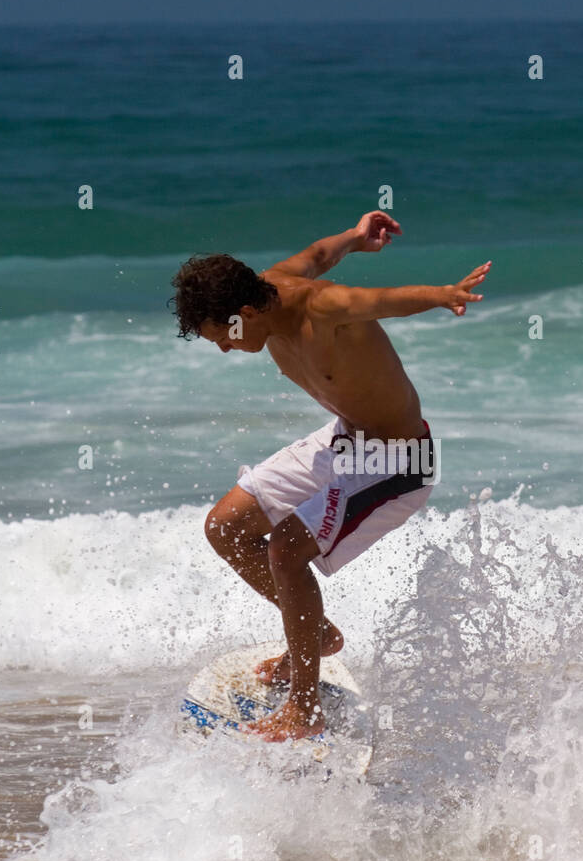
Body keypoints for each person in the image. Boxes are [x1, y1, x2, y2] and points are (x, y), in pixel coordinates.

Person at [172, 211, 489, 739]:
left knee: (286, 550)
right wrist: (357, 236)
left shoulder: (323, 308)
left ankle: (304, 705)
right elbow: (319, 254)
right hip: (344, 438)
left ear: (247, 310)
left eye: (223, 336)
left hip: (397, 459)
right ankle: (314, 634)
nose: (225, 347)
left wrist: (443, 293)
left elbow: (384, 300)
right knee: (225, 527)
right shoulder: (271, 285)